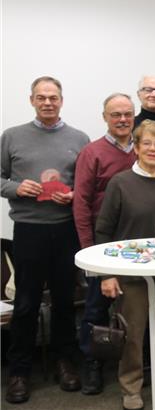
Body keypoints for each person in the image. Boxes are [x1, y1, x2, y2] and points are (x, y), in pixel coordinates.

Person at [2, 76, 90, 404]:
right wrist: (16, 188)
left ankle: (64, 362)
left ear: (62, 101)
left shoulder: (79, 138)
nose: (48, 102)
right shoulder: (12, 136)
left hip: (65, 230)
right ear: (31, 100)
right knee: (25, 303)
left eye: (53, 97)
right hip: (28, 230)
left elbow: (85, 184)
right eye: (41, 97)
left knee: (65, 301)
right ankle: (19, 371)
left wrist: (72, 195)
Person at [95, 120, 155, 410]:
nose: (152, 149)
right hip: (131, 276)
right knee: (133, 336)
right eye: (146, 143)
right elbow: (103, 232)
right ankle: (131, 388)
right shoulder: (120, 183)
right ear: (135, 147)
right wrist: (106, 274)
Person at [73, 92, 137, 395]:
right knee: (96, 310)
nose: (122, 119)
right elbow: (81, 204)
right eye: (116, 115)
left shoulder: (145, 150)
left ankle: (137, 364)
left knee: (136, 308)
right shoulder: (92, 152)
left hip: (138, 246)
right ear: (105, 118)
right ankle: (92, 364)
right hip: (103, 244)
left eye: (127, 114)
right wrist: (89, 252)